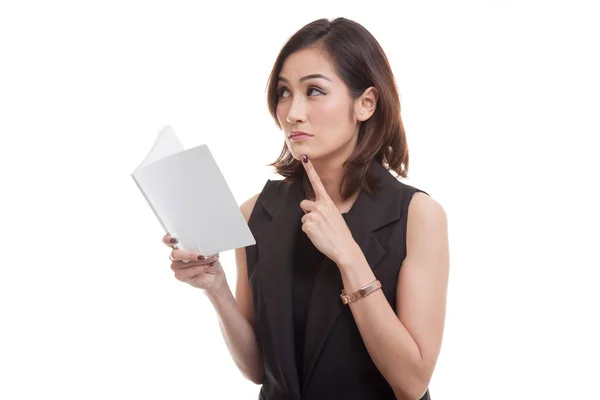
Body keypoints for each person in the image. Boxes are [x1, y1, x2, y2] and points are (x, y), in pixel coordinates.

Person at [163, 17, 449, 400]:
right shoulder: (255, 213)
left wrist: (349, 257)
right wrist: (215, 287)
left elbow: (411, 383)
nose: (292, 112)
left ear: (365, 103)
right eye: (284, 92)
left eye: (314, 90)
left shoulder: (418, 215)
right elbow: (257, 368)